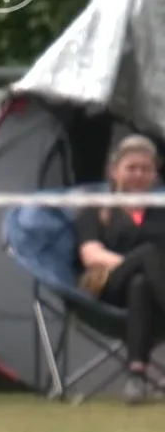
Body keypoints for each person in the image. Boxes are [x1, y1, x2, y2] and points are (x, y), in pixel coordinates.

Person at [75, 133, 165, 402]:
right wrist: (141, 261)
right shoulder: (96, 209)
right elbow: (92, 256)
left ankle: (136, 376)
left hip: (153, 293)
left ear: (155, 175)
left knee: (141, 284)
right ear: (114, 171)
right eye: (131, 168)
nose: (138, 174)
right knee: (148, 255)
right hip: (109, 285)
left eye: (145, 169)